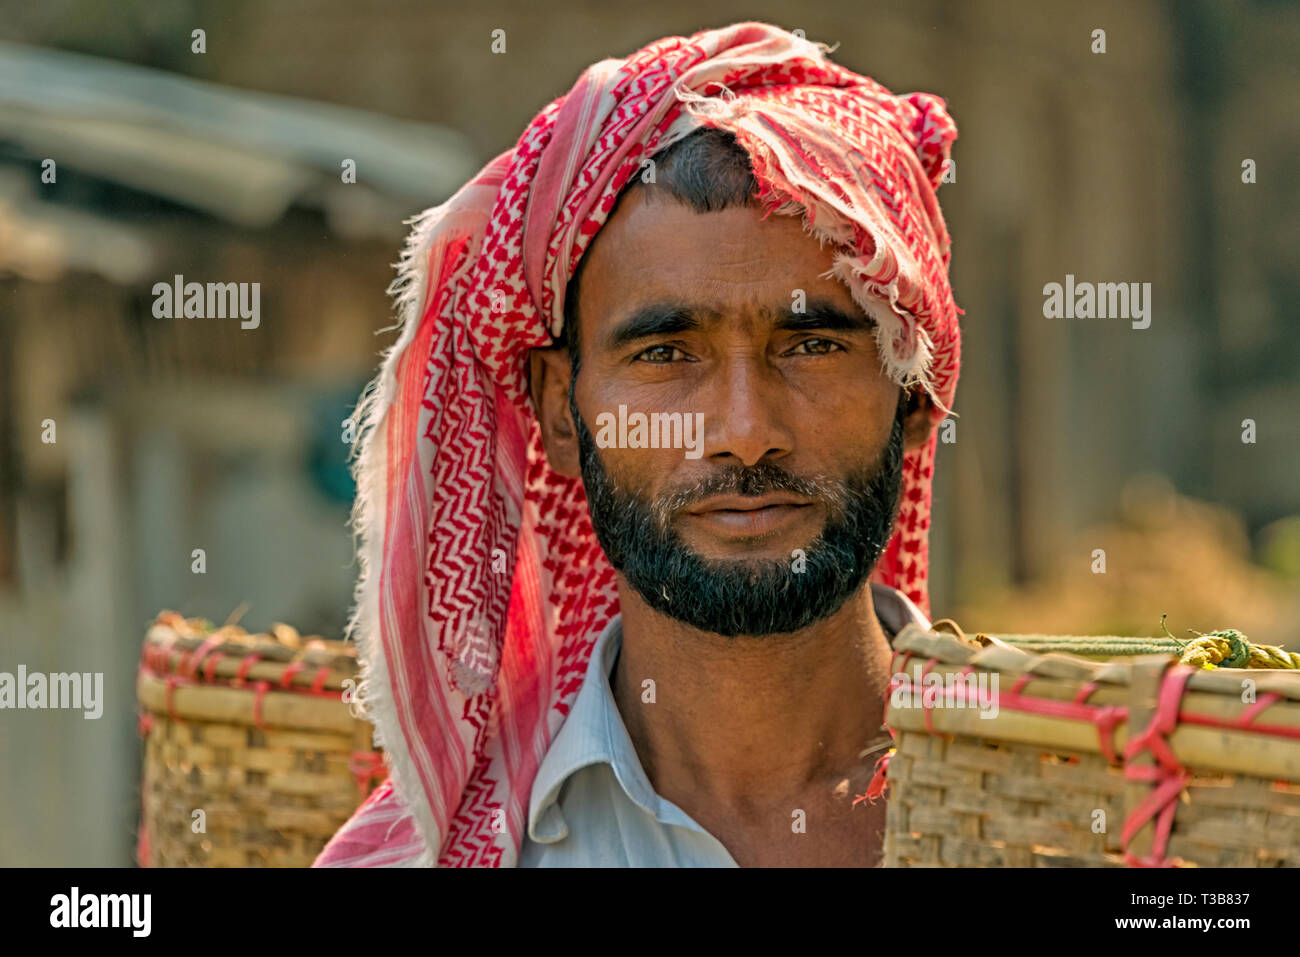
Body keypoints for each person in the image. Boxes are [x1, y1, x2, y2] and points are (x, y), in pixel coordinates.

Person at [314, 20, 960, 867]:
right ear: (557, 408)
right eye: (665, 354)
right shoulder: (456, 851)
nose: (743, 433)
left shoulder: (1091, 813)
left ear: (915, 393)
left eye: (811, 345)